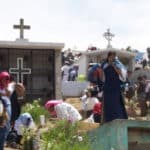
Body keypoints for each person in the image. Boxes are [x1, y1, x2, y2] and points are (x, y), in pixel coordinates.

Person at [101, 51, 128, 123]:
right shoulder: (104, 65)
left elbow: (122, 76)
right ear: (108, 57)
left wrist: (113, 66)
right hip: (107, 87)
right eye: (111, 56)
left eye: (114, 56)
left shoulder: (117, 64)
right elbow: (102, 77)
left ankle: (118, 119)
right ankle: (108, 120)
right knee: (108, 105)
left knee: (116, 104)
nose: (112, 58)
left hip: (115, 87)